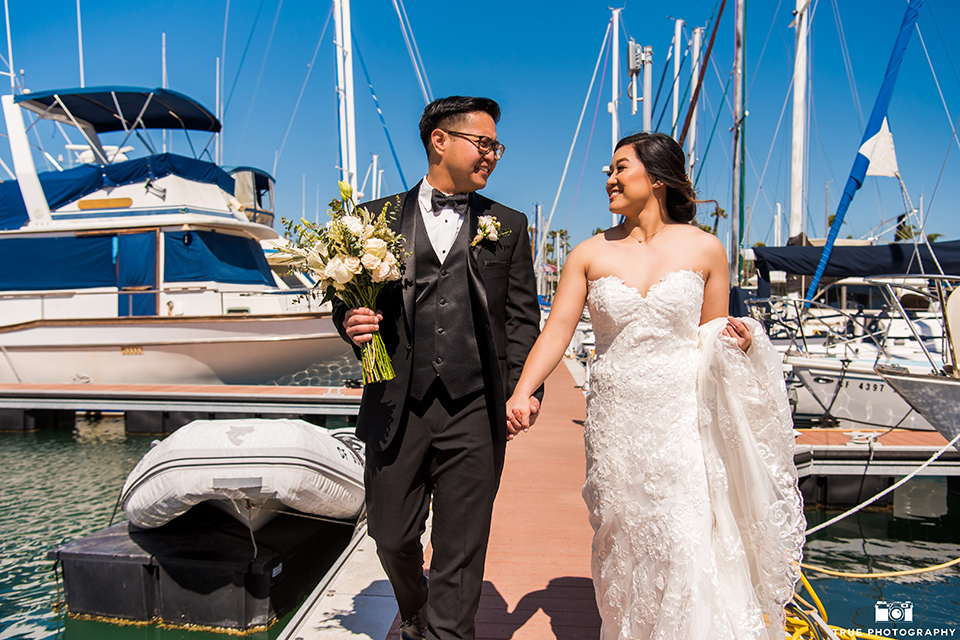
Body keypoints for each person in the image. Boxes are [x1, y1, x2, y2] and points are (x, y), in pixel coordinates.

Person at [506, 132, 805, 639]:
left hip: (681, 417)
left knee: (683, 534)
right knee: (621, 536)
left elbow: (714, 339)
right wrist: (522, 391)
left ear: (657, 177)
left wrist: (746, 342)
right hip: (615, 418)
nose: (611, 178)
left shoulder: (706, 248)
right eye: (609, 170)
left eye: (621, 168)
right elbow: (556, 331)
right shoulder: (588, 253)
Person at [333, 96, 542, 640]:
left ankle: (448, 633)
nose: (492, 155)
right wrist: (352, 325)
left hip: (476, 408)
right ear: (440, 141)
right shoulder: (370, 221)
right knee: (391, 536)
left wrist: (526, 390)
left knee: (463, 546)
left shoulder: (510, 225)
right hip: (395, 402)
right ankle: (417, 610)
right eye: (484, 142)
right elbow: (346, 302)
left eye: (497, 146)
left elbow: (522, 319)